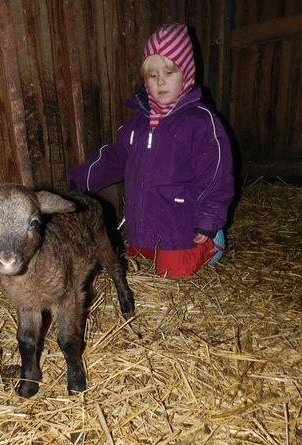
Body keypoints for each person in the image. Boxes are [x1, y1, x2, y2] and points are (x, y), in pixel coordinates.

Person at [68, 23, 234, 277]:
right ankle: (150, 243)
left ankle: (212, 245)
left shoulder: (200, 122)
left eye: (169, 72)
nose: (161, 82)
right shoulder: (138, 123)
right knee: (136, 265)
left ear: (187, 72)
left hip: (182, 226)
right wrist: (81, 179)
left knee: (170, 273)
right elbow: (115, 158)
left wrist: (209, 218)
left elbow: (216, 176)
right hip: (142, 225)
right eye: (152, 75)